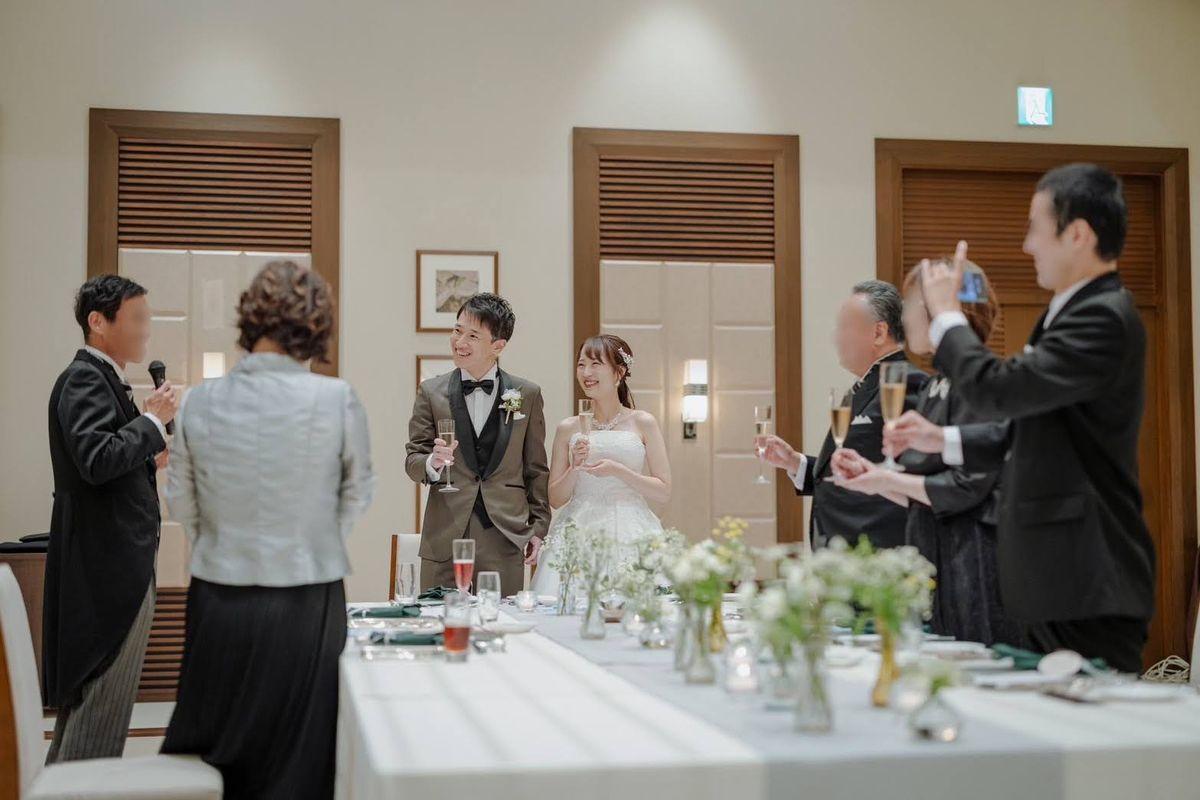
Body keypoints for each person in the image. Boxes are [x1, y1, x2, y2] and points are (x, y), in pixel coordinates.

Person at [885, 163, 1155, 673]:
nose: (1027, 245)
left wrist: (946, 314)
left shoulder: (1102, 316)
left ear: (1077, 234)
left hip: (1086, 574)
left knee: (1091, 718)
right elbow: (1027, 427)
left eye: (1035, 228)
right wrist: (943, 439)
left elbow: (998, 392)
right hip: (1053, 579)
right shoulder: (1067, 313)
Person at [161, 260, 375, 798]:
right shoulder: (336, 398)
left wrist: (222, 544)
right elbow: (357, 492)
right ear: (316, 326)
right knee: (300, 762)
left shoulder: (199, 400)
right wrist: (314, 540)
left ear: (249, 319)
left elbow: (181, 499)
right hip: (307, 597)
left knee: (219, 756)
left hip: (219, 595)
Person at [831, 261, 1022, 646]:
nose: (904, 317)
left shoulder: (978, 384)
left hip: (974, 562)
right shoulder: (937, 385)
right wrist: (874, 479)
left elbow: (966, 487)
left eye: (910, 303)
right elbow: (924, 495)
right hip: (934, 557)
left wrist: (886, 478)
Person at [44, 275, 179, 762]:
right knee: (100, 710)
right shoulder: (85, 378)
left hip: (115, 563)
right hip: (106, 570)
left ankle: (61, 789)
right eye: (137, 318)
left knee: (96, 708)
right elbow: (96, 459)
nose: (146, 329)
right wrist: (151, 421)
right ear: (98, 322)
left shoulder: (101, 378)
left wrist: (147, 457)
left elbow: (105, 462)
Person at [756, 281, 928, 549]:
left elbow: (909, 477)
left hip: (876, 551)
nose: (836, 338)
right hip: (845, 555)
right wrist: (795, 462)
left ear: (879, 332)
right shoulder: (862, 388)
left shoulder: (908, 384)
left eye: (845, 327)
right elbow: (851, 471)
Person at [405, 293, 551, 596]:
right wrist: (432, 462)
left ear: (498, 346)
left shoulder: (527, 394)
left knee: (500, 621)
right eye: (457, 331)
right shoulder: (430, 392)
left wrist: (538, 528)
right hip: (444, 537)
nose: (460, 342)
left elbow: (536, 470)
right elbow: (413, 460)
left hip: (505, 536)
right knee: (441, 621)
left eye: (472, 335)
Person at [530, 335, 671, 595]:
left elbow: (663, 491)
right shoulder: (568, 428)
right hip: (578, 527)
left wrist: (619, 471)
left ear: (619, 372)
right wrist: (574, 467)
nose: (586, 373)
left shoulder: (643, 422)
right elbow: (556, 499)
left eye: (595, 364)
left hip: (631, 527)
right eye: (581, 365)